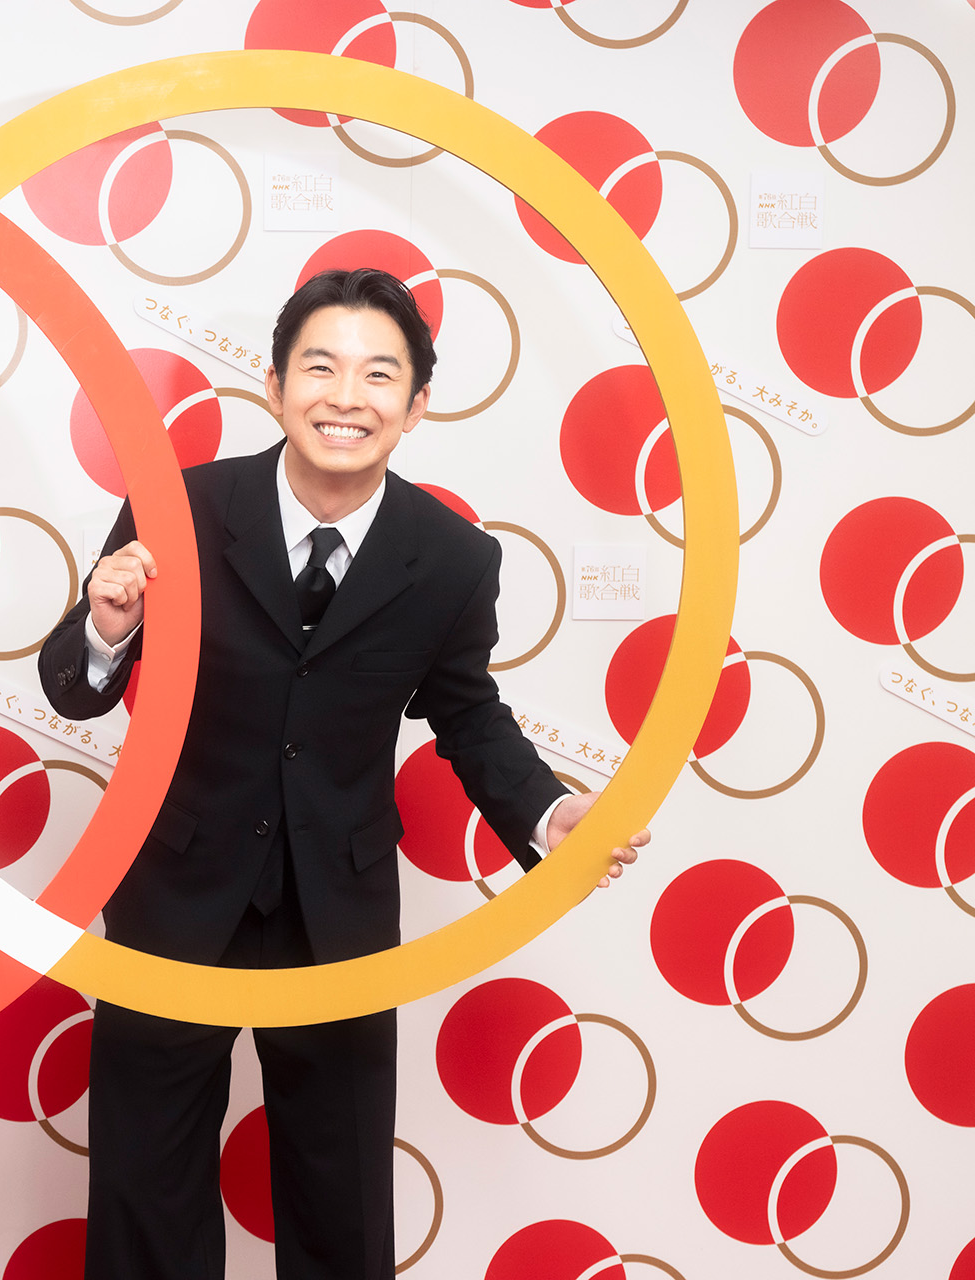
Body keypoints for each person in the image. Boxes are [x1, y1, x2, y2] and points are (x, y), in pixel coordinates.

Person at [37, 268, 651, 1280]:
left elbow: (467, 713)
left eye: (379, 374)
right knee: (146, 1187)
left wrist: (548, 814)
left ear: (417, 405)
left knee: (343, 1196)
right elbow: (73, 688)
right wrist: (108, 628)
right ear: (276, 384)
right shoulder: (177, 506)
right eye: (320, 367)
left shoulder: (452, 558)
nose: (346, 396)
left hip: (340, 913)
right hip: (176, 893)